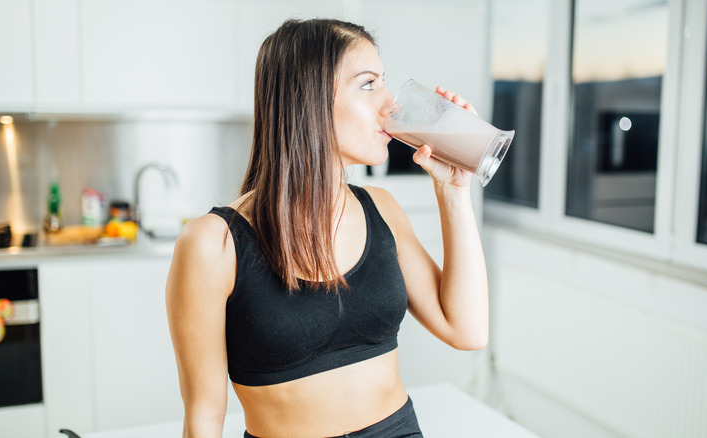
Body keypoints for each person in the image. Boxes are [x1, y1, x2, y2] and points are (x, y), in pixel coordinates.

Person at [165, 18, 489, 438]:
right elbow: (204, 418)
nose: (391, 104)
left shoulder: (382, 210)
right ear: (309, 98)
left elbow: (466, 329)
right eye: (369, 84)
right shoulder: (215, 243)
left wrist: (453, 191)